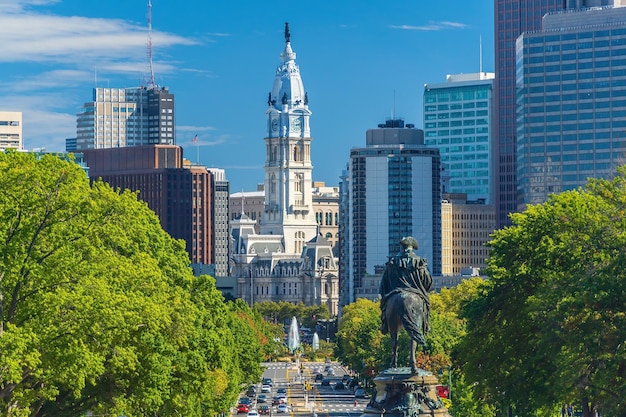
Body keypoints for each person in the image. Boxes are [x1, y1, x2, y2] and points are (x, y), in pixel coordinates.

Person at [379, 236, 432, 335]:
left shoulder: (392, 262)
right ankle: (426, 326)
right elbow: (428, 281)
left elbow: (384, 283)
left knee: (385, 306)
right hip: (415, 293)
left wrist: (382, 295)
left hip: (395, 292)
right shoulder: (419, 262)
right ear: (412, 248)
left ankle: (385, 325)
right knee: (426, 306)